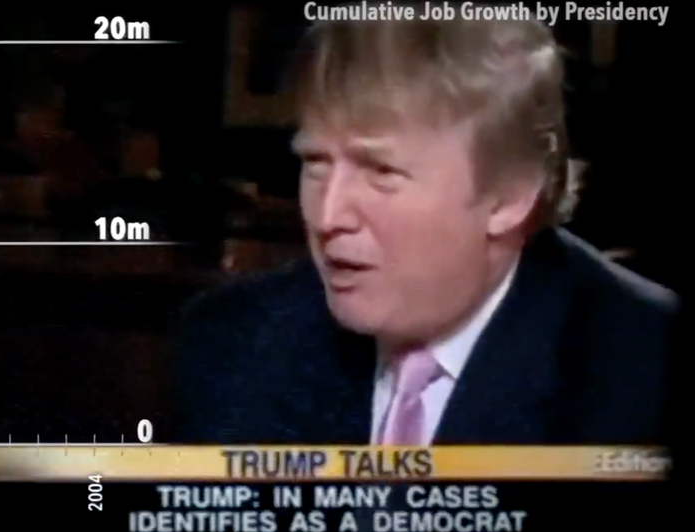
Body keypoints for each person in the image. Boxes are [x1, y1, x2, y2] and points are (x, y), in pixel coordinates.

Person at [171, 10, 678, 445]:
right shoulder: (230, 341)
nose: (327, 217)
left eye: (381, 171)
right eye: (316, 164)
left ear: (510, 194)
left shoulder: (647, 365)